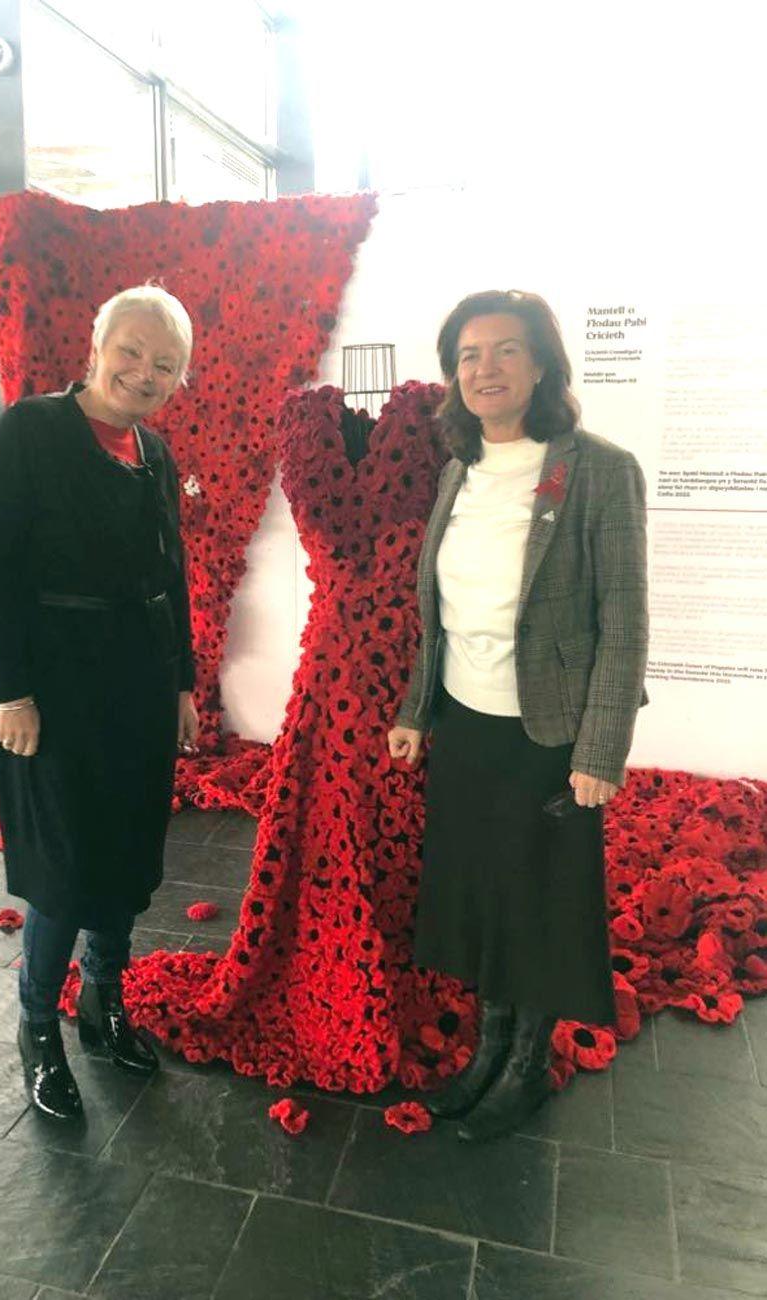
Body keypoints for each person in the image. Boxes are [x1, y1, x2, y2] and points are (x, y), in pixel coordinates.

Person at [388, 289, 648, 1141]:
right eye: (467, 355)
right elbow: (440, 609)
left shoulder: (598, 470)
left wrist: (600, 749)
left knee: (538, 899)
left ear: (541, 365)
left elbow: (624, 620)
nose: (484, 369)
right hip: (467, 722)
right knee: (485, 892)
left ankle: (526, 1069)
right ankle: (488, 1052)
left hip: (551, 732)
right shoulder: (458, 469)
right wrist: (418, 712)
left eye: (504, 351)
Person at [0, 285, 199, 1121]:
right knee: (65, 871)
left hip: (137, 683)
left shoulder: (154, 451)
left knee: (127, 856)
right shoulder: (30, 432)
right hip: (55, 690)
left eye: (164, 363)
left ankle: (105, 1006)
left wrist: (181, 681)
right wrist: (12, 690)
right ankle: (38, 1029)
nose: (144, 371)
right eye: (131, 351)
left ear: (178, 377)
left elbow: (171, 577)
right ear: (96, 347)